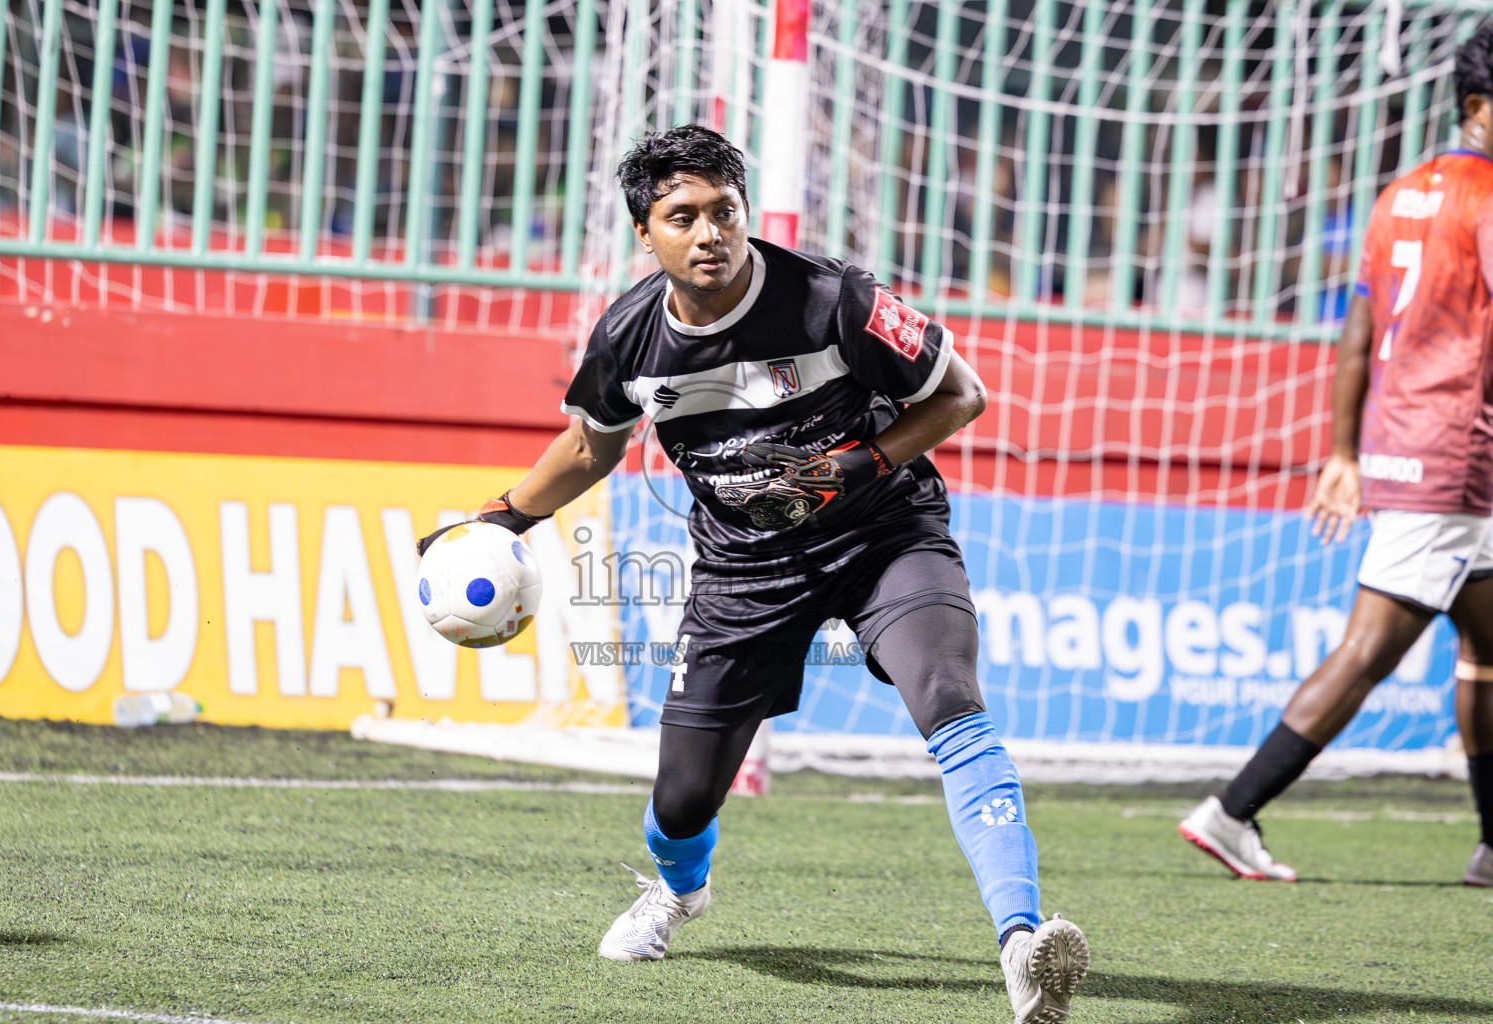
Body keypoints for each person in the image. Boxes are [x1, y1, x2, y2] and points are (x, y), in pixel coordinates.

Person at [419, 125, 1090, 1022]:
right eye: (682, 216)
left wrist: (853, 467)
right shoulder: (628, 341)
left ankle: (1020, 944)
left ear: (745, 212)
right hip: (745, 570)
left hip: (885, 534)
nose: (709, 234)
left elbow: (960, 394)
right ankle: (679, 891)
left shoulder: (834, 300)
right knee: (683, 798)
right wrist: (503, 517)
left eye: (724, 212)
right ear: (645, 234)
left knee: (950, 696)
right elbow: (589, 444)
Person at [1177, 22, 1493, 888]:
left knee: (1486, 644)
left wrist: (1344, 452)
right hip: (1457, 454)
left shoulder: (1401, 195)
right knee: (1370, 649)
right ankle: (1233, 810)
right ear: (1477, 107)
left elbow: (1358, 331)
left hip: (1413, 445)